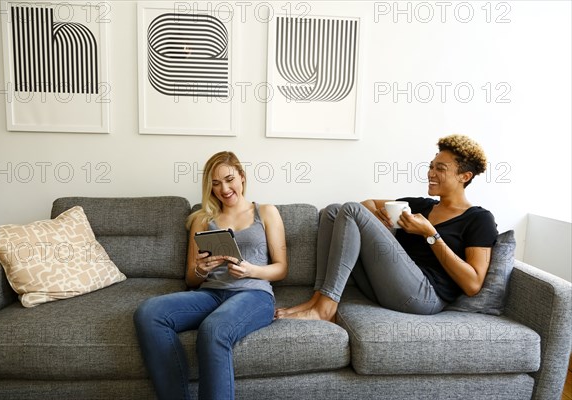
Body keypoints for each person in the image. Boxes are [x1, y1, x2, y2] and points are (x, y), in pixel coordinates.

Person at [276, 134, 498, 321]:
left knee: (351, 210)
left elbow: (472, 284)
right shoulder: (419, 205)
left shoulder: (479, 219)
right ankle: (319, 298)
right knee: (334, 211)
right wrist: (376, 220)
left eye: (440, 168)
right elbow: (367, 205)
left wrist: (430, 234)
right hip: (384, 287)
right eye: (431, 166)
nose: (431, 173)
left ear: (464, 176)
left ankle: (326, 308)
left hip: (423, 296)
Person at [134, 151, 287, 400]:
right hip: (211, 293)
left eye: (229, 179)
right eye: (215, 184)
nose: (224, 189)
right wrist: (201, 270)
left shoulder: (266, 212)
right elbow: (190, 280)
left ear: (242, 177)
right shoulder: (203, 220)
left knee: (213, 329)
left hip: (253, 294)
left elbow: (282, 268)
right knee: (149, 313)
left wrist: (252, 270)